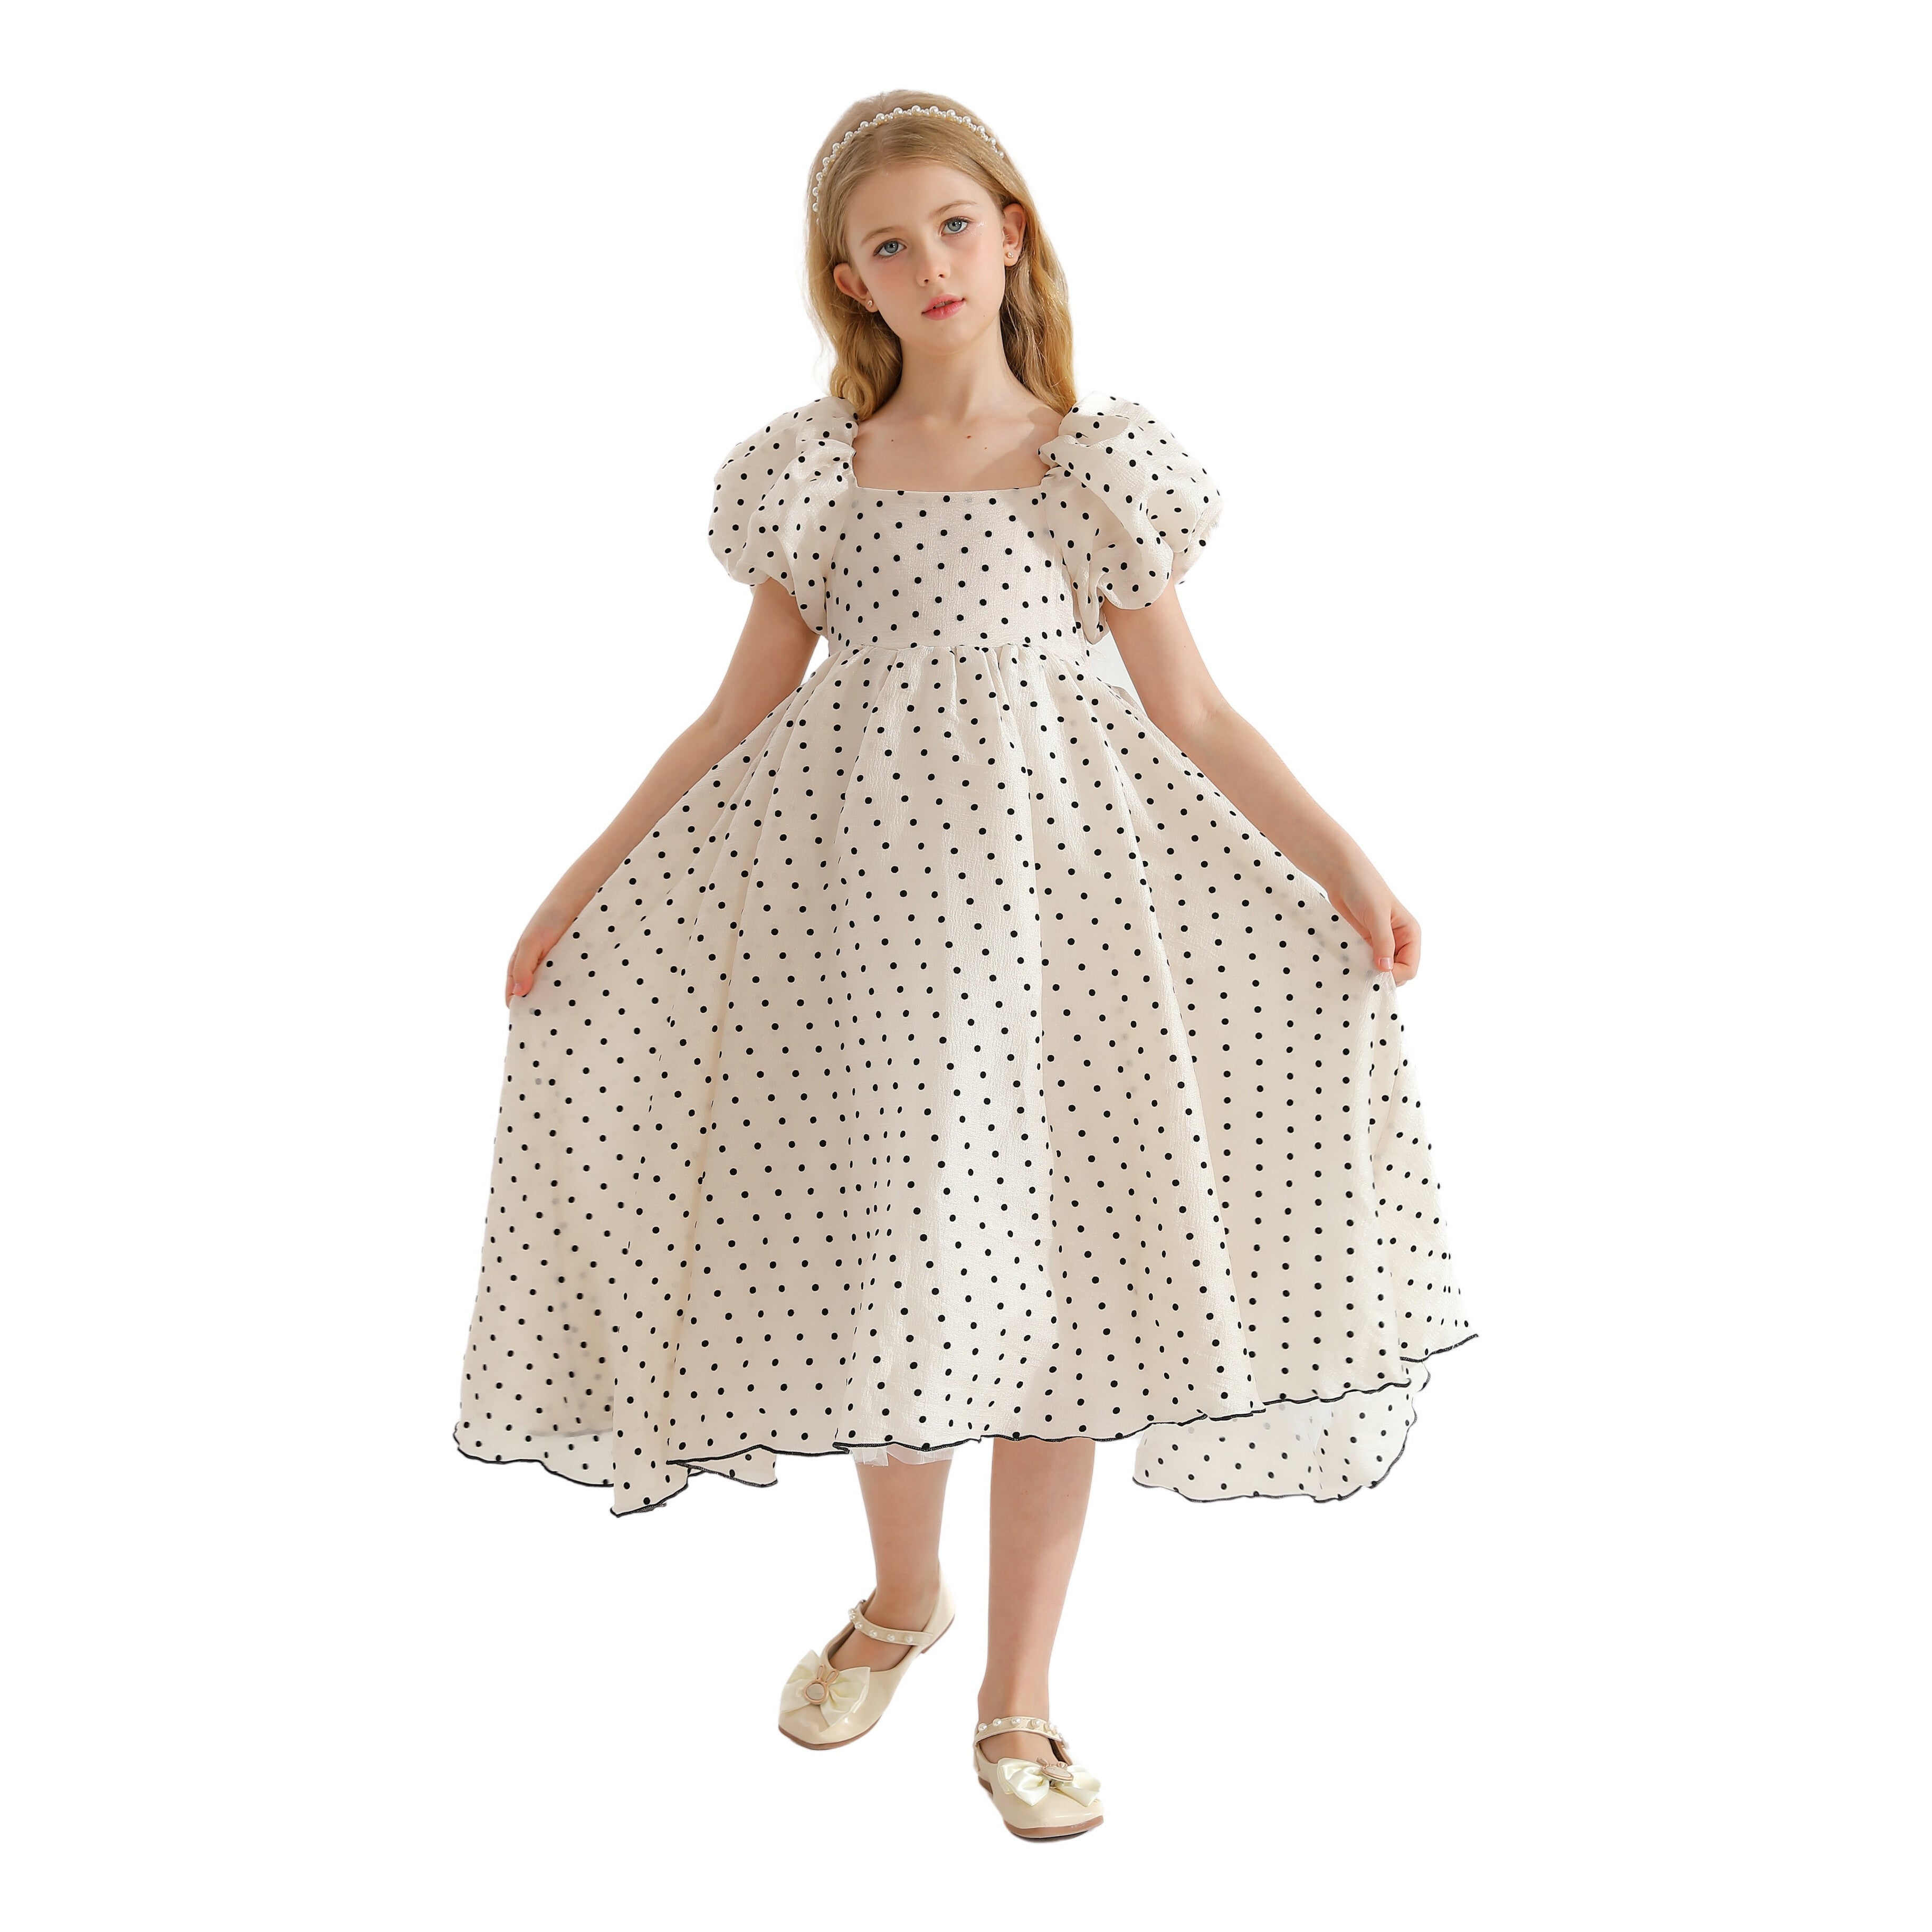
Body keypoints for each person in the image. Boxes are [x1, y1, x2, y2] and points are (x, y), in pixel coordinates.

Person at [453, 88, 1476, 1841]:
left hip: (1062, 936)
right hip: (864, 933)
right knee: (899, 1261)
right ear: (848, 283)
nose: (927, 262)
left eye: (951, 225)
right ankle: (901, 1599)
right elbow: (734, 715)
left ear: (1010, 235)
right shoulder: (819, 476)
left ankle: (1019, 1693)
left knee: (1057, 1293)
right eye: (886, 244)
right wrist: (580, 884)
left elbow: (1194, 711)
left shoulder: (1093, 471)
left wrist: (1345, 862)